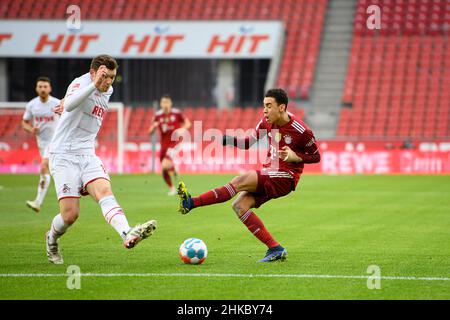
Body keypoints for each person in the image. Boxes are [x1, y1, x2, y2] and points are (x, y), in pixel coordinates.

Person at [177, 88, 320, 262]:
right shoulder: (267, 122)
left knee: (240, 180)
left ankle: (191, 203)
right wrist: (226, 139)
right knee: (239, 206)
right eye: (264, 106)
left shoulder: (301, 130)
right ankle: (275, 248)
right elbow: (249, 143)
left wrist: (295, 156)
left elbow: (316, 156)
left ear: (281, 108)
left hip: (286, 176)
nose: (265, 110)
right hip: (271, 171)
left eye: (269, 106)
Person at [46, 54, 157, 264]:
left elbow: (69, 103)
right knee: (70, 216)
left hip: (88, 153)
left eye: (112, 77)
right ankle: (51, 239)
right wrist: (91, 87)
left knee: (104, 192)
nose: (108, 82)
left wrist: (74, 98)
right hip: (63, 154)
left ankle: (127, 233)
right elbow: (69, 105)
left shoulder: (109, 90)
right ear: (93, 73)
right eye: (104, 77)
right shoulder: (81, 83)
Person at [22, 76, 60, 213]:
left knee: (43, 166)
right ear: (36, 88)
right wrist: (31, 129)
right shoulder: (32, 105)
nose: (43, 89)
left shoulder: (56, 103)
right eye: (40, 86)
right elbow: (24, 122)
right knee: (52, 170)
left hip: (56, 141)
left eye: (45, 86)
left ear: (50, 88)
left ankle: (38, 202)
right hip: (42, 143)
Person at [148, 95, 191, 195]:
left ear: (171, 103)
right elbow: (149, 132)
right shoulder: (157, 116)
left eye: (167, 102)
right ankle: (172, 188)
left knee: (164, 165)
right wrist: (153, 127)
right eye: (163, 102)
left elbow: (188, 124)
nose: (165, 104)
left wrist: (182, 129)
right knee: (163, 169)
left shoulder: (176, 113)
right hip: (164, 145)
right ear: (161, 104)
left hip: (175, 142)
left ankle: (173, 167)